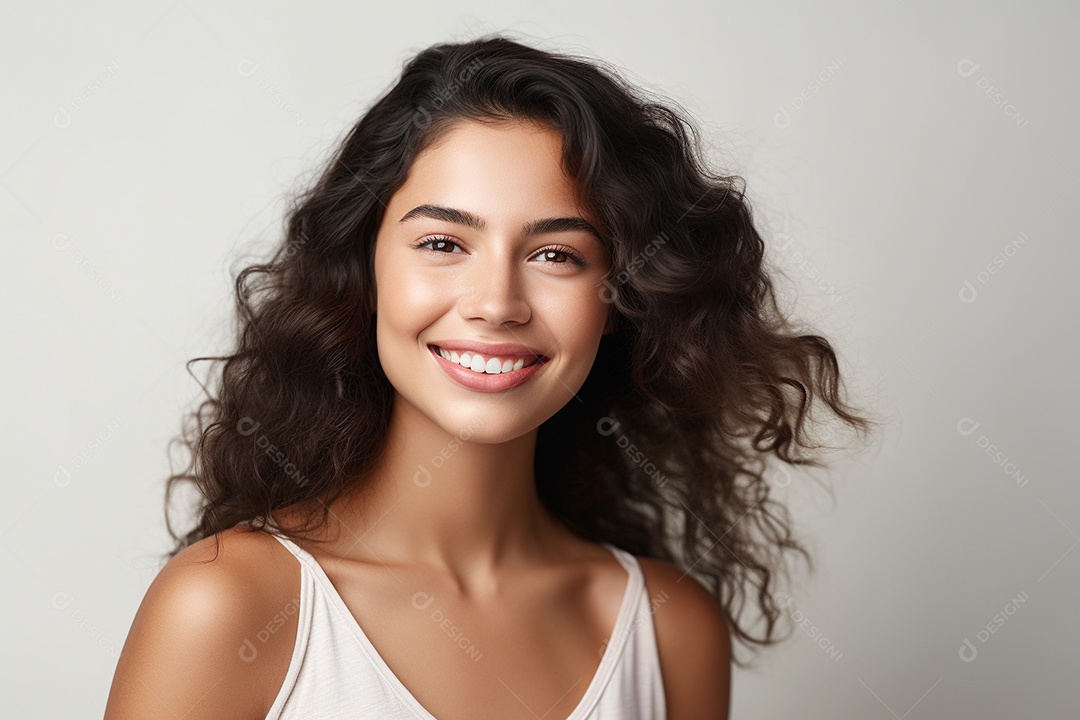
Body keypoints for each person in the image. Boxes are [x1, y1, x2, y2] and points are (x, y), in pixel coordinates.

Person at [104, 33, 875, 720]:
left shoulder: (670, 631)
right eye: (443, 243)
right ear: (366, 269)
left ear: (618, 301)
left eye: (556, 255)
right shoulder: (228, 607)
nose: (497, 304)